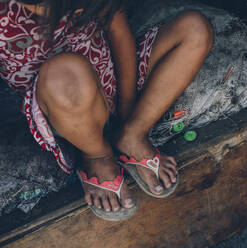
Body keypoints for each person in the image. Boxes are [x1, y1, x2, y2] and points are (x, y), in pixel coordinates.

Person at [0, 0, 213, 220]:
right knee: (63, 72)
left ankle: (131, 135)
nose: (80, 12)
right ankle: (97, 155)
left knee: (195, 29)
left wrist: (128, 115)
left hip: (112, 79)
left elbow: (118, 31)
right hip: (67, 113)